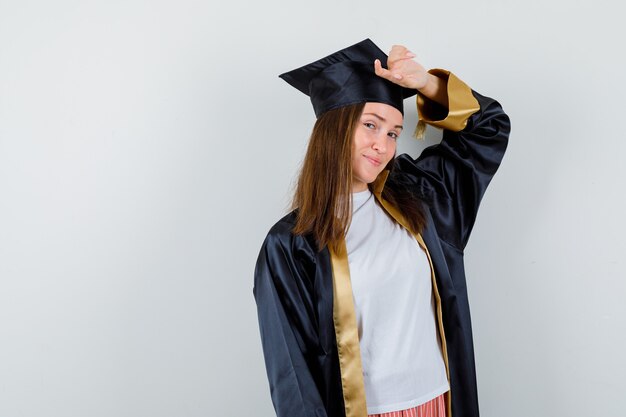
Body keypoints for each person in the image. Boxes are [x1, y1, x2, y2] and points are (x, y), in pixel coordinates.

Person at [253, 39, 511, 417]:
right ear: (334, 129)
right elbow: (293, 376)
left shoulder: (421, 197)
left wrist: (426, 83)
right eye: (371, 125)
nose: (383, 145)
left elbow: (490, 128)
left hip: (440, 403)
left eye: (393, 132)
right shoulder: (292, 244)